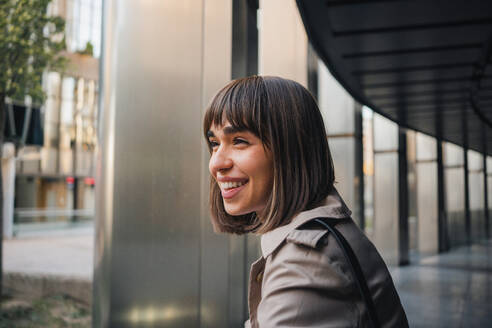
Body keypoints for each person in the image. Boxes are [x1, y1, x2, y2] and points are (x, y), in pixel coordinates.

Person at [203, 75, 408, 328]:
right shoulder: (322, 231)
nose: (216, 163)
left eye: (240, 141)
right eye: (214, 143)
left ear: (289, 149)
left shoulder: (305, 262)